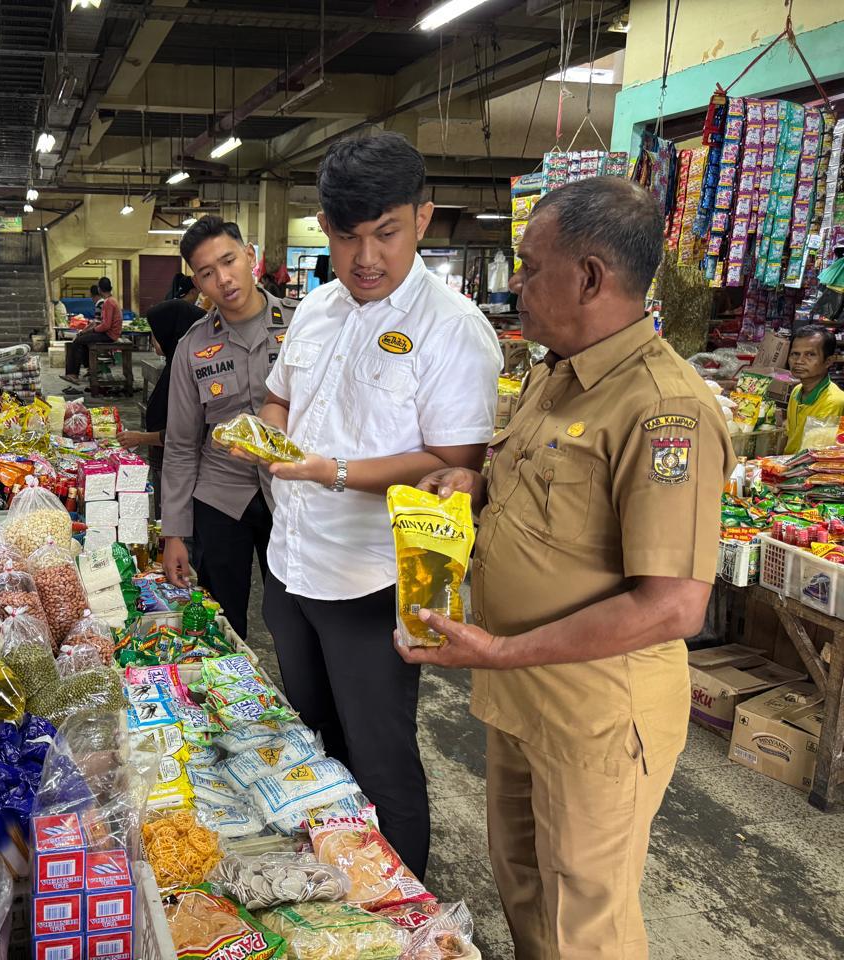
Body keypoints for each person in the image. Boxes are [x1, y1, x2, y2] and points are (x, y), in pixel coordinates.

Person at [399, 177, 735, 960]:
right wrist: (475, 485)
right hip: (521, 693)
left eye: (527, 266)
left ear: (588, 276)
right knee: (522, 883)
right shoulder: (556, 373)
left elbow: (673, 606)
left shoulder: (661, 410)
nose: (515, 285)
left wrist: (503, 650)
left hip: (596, 714)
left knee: (585, 920)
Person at [246, 132, 501, 875]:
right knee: (311, 736)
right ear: (323, 227)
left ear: (423, 218)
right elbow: (276, 399)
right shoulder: (319, 309)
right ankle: (334, 883)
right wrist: (269, 441)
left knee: (380, 754)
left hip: (369, 581)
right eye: (346, 235)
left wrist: (332, 470)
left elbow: (457, 462)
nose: (365, 257)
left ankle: (406, 915)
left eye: (385, 233)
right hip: (289, 565)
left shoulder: (452, 331)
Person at [161, 217, 298, 639]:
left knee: (295, 619)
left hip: (295, 494)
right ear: (197, 283)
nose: (223, 279)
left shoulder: (303, 325)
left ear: (250, 256)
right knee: (223, 620)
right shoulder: (193, 347)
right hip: (221, 498)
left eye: (229, 260)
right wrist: (175, 532)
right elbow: (181, 445)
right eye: (206, 273)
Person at [117, 273, 206, 514]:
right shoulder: (175, 364)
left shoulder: (186, 375)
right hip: (167, 464)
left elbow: (187, 432)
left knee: (174, 521)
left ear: (172, 332)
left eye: (155, 333)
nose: (153, 339)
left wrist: (141, 438)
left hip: (179, 469)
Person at [784, 324, 844, 453]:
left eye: (810, 355)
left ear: (828, 361)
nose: (799, 361)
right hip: (789, 465)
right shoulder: (797, 391)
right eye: (795, 354)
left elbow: (815, 454)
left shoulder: (833, 401)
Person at [63, 276, 122, 384]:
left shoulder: (108, 302)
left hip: (109, 335)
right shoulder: (112, 300)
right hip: (111, 333)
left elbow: (106, 325)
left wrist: (92, 330)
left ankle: (72, 374)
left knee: (77, 340)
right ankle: (90, 368)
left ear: (99, 289)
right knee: (84, 340)